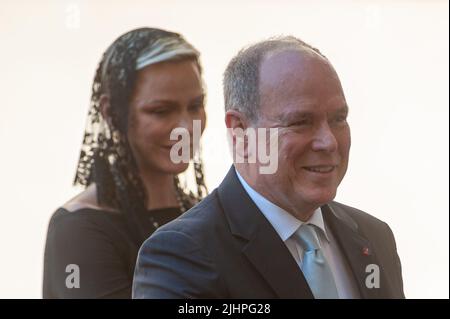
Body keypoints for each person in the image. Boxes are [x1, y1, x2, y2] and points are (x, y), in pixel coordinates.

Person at [132, 36, 405, 299]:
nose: (328, 142)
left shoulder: (373, 236)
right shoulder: (182, 255)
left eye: (338, 118)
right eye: (301, 121)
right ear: (240, 131)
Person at [43, 27, 208, 298]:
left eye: (195, 106)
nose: (186, 128)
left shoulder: (207, 213)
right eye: (161, 111)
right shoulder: (78, 231)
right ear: (112, 112)